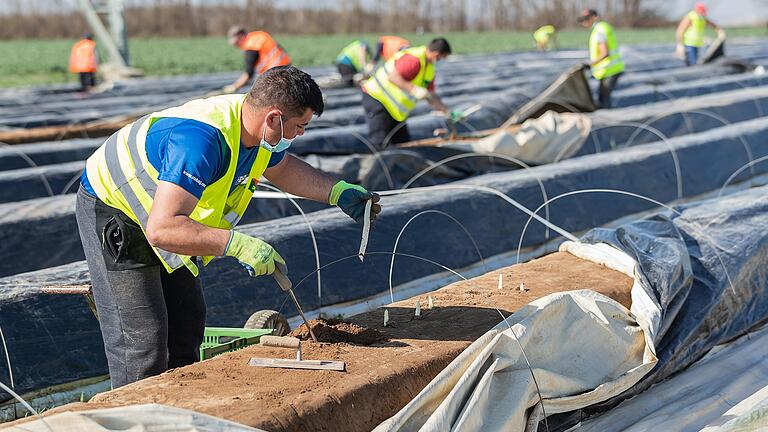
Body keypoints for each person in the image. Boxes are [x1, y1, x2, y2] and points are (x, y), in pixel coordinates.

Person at [75, 66, 381, 388]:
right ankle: (135, 414)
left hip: (166, 215)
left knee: (187, 323)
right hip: (118, 211)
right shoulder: (200, 143)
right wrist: (237, 244)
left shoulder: (254, 129)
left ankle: (181, 407)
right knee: (142, 339)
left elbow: (283, 168)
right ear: (274, 118)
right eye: (299, 126)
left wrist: (336, 191)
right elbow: (162, 229)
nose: (300, 135)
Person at [361, 38, 461, 149]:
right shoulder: (414, 59)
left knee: (402, 142)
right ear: (436, 54)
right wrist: (414, 89)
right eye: (443, 58)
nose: (442, 61)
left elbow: (431, 95)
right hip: (377, 98)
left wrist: (446, 110)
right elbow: (393, 77)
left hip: (393, 109)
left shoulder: (429, 69)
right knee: (380, 143)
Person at [579, 9, 625, 109]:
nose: (584, 22)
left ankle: (610, 121)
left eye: (587, 19)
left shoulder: (599, 30)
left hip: (611, 69)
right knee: (603, 98)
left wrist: (590, 64)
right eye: (583, 19)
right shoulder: (601, 28)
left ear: (595, 17)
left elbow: (604, 53)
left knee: (603, 100)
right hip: (608, 70)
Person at [223, 26, 292, 93]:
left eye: (237, 44)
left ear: (241, 36)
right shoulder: (258, 35)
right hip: (286, 66)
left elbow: (249, 73)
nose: (239, 47)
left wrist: (234, 87)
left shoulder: (251, 45)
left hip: (275, 73)